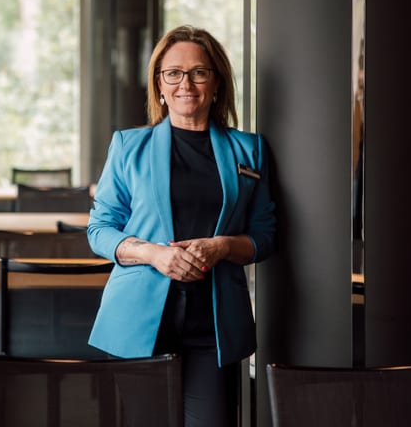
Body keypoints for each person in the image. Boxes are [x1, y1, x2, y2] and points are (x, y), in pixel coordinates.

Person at [87, 25, 276, 427]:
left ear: (216, 82)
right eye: (172, 73)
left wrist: (222, 246)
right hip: (137, 322)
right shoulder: (127, 146)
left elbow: (266, 234)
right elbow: (100, 229)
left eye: (198, 72)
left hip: (214, 327)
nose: (184, 83)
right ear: (159, 84)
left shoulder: (250, 149)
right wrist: (151, 253)